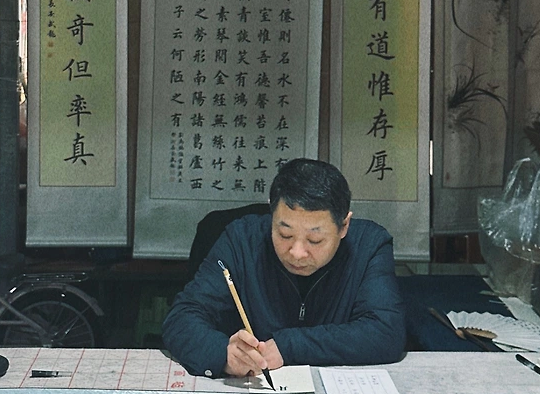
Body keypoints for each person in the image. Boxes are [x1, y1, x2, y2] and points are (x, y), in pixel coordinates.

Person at [161, 157, 406, 378]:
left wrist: (290, 346)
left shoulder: (368, 245)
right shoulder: (241, 240)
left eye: (315, 240)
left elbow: (386, 332)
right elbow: (182, 317)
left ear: (344, 226)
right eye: (284, 234)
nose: (297, 252)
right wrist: (223, 354)